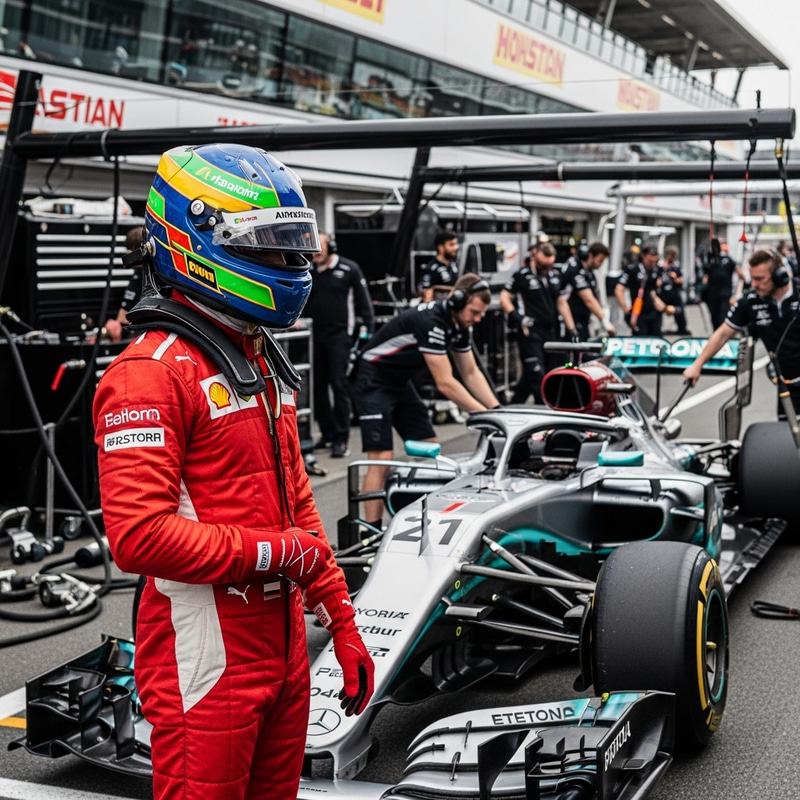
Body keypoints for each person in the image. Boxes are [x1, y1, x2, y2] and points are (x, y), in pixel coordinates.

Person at [92, 144, 374, 800]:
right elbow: (141, 538)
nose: (290, 266)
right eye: (270, 248)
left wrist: (342, 616)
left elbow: (295, 499)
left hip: (284, 650)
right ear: (192, 241)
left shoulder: (255, 352)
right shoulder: (149, 373)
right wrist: (285, 555)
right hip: (205, 657)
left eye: (294, 247)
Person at [354, 273, 499, 526]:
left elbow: (470, 372)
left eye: (481, 314)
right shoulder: (431, 320)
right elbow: (446, 383)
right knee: (382, 458)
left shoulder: (460, 325)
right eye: (475, 312)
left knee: (431, 451)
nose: (477, 319)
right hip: (372, 378)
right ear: (458, 300)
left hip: (399, 381)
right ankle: (370, 532)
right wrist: (485, 417)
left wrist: (498, 410)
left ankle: (422, 522)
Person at [684, 249, 800, 417]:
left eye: (760, 279)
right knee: (787, 436)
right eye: (752, 278)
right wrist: (697, 364)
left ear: (779, 276)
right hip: (786, 385)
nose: (754, 284)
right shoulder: (751, 301)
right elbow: (723, 332)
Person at [304, 232, 374, 458]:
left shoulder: (349, 269)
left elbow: (364, 304)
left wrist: (367, 333)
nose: (316, 251)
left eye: (321, 246)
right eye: (313, 247)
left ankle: (342, 438)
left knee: (339, 384)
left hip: (340, 337)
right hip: (314, 336)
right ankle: (327, 433)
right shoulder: (307, 271)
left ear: (331, 246)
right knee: (317, 387)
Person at [500, 240, 578, 404]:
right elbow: (504, 297)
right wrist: (518, 318)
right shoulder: (522, 275)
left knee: (544, 374)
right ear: (536, 256)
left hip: (550, 331)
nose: (546, 268)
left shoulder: (554, 276)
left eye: (549, 265)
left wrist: (572, 330)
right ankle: (545, 411)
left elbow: (561, 302)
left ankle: (514, 406)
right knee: (537, 375)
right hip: (530, 332)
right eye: (544, 264)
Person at [614, 243, 674, 336]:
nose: (653, 260)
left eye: (655, 257)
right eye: (651, 257)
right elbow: (618, 290)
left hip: (654, 313)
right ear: (644, 256)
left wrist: (665, 307)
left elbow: (655, 293)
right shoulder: (632, 270)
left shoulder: (658, 270)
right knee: (640, 339)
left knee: (656, 339)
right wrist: (626, 310)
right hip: (638, 313)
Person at [560, 240, 615, 341]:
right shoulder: (575, 268)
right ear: (590, 256)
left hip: (583, 319)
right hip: (568, 320)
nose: (601, 264)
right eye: (600, 260)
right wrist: (605, 321)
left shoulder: (589, 274)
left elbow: (595, 297)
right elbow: (588, 298)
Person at [102, 225, 144, 342]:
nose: (128, 254)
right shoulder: (137, 276)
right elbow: (123, 313)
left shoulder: (149, 278)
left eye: (131, 250)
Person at [702, 238, 744, 330]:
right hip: (712, 293)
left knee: (723, 315)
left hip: (725, 292)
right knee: (714, 316)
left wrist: (739, 291)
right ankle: (716, 333)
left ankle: (722, 334)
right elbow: (705, 277)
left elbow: (740, 274)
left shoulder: (729, 260)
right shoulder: (711, 261)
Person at [417, 229, 459, 301]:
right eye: (451, 245)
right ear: (441, 247)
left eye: (456, 244)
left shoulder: (453, 265)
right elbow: (427, 295)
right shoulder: (431, 268)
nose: (456, 247)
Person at [658, 245, 690, 335]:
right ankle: (657, 328)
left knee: (679, 311)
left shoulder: (675, 267)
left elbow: (681, 279)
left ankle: (682, 328)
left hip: (674, 292)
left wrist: (675, 279)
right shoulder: (660, 266)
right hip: (662, 292)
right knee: (658, 309)